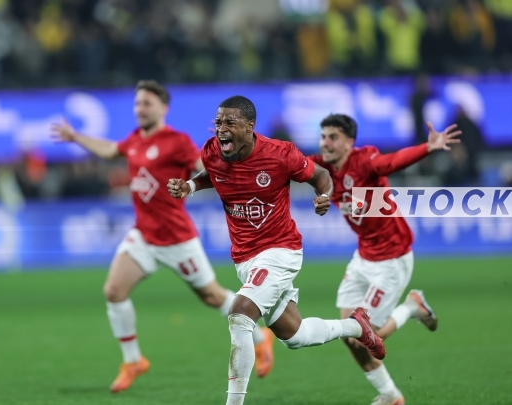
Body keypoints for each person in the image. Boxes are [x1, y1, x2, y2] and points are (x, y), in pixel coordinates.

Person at [51, 81, 275, 393]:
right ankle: (133, 361)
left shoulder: (176, 142)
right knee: (114, 290)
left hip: (176, 238)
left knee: (211, 296)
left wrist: (234, 162)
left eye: (147, 103)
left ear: (163, 108)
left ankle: (261, 337)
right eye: (137, 103)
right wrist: (76, 137)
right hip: (143, 235)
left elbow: (205, 167)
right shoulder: (134, 140)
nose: (140, 109)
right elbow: (111, 150)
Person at [167, 95, 386, 405]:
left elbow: (321, 176)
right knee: (294, 336)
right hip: (244, 257)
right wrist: (190, 186)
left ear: (250, 126)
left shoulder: (280, 154)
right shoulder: (212, 151)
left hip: (280, 250)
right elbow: (213, 174)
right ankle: (355, 326)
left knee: (240, 314)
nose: (221, 129)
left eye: (230, 122)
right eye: (218, 122)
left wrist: (324, 196)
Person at [308, 114, 461, 405]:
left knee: (362, 336)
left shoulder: (364, 161)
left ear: (349, 142)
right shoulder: (321, 166)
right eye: (323, 136)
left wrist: (427, 148)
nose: (325, 142)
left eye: (333, 137)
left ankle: (411, 307)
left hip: (392, 258)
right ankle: (390, 395)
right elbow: (284, 160)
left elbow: (391, 162)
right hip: (363, 256)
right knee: (349, 336)